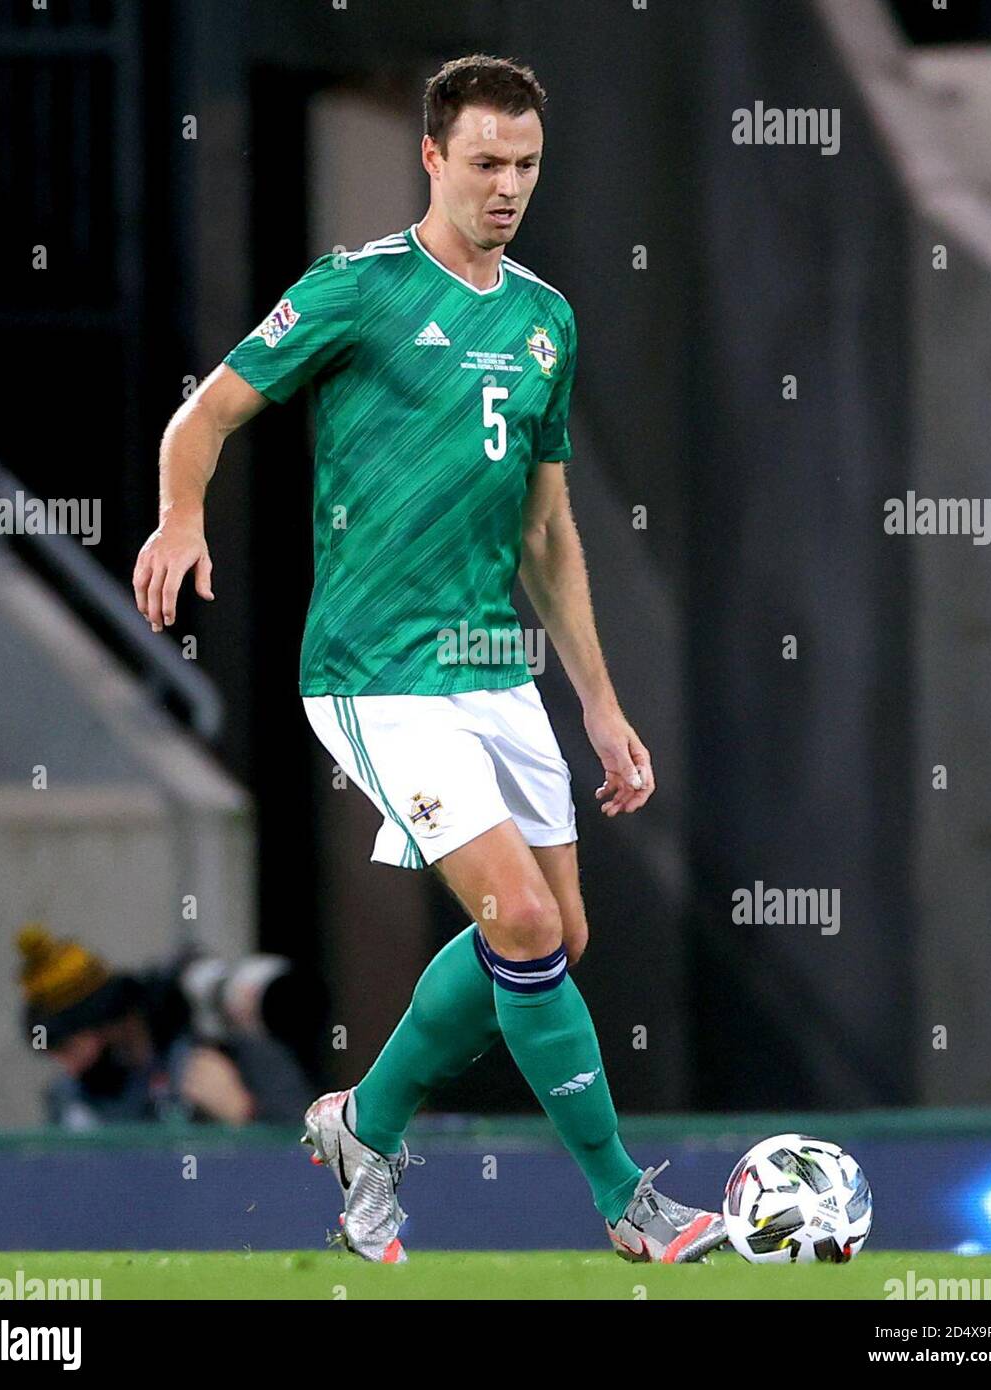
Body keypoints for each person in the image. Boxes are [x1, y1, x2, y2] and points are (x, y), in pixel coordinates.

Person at [133, 53, 727, 1264]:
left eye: (526, 166)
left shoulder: (547, 318)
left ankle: (364, 1120)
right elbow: (206, 415)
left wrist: (601, 707)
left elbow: (548, 531)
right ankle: (627, 1199)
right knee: (516, 919)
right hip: (373, 671)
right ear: (431, 158)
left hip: (494, 664)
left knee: (557, 933)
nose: (508, 187)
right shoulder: (356, 291)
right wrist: (181, 514)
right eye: (486, 164)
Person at [17, 924, 313, 1127]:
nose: (71, 1068)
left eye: (70, 1048)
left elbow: (312, 1162)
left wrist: (244, 1113)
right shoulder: (74, 1101)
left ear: (106, 1024)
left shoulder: (235, 1050)